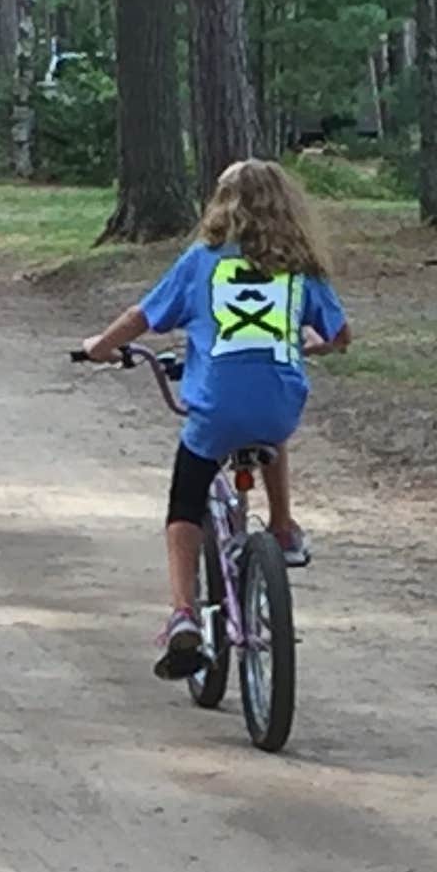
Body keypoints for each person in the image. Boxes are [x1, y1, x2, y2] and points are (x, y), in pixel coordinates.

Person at [82, 158, 349, 676]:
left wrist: (100, 347)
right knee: (269, 430)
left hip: (217, 409)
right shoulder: (302, 266)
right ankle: (283, 525)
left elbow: (143, 317)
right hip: (278, 406)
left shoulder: (200, 260)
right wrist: (309, 344)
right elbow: (340, 335)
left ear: (221, 204)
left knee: (185, 499)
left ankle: (183, 613)